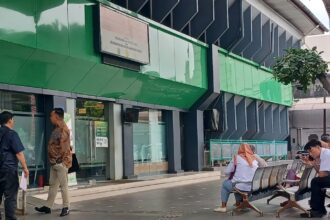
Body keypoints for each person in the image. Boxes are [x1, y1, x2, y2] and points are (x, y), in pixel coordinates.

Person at [35, 108, 72, 217]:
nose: (50, 118)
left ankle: (66, 207)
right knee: (53, 185)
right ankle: (48, 206)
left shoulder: (62, 129)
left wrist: (59, 162)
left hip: (60, 163)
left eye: (51, 116)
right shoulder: (57, 128)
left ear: (56, 116)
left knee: (63, 186)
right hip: (55, 163)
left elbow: (65, 148)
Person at [0, 111, 29, 220]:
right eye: (13, 119)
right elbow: (19, 153)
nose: (13, 121)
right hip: (8, 169)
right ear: (9, 120)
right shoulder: (12, 134)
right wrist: (25, 168)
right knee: (10, 196)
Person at [214, 144, 258, 213]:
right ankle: (238, 203)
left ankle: (223, 207)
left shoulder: (237, 158)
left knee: (226, 184)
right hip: (252, 186)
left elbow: (227, 172)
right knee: (236, 182)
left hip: (240, 186)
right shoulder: (254, 159)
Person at [299, 139, 330, 218]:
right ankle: (319, 210)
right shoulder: (323, 154)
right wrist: (312, 163)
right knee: (317, 182)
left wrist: (312, 163)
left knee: (316, 181)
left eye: (311, 150)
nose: (310, 154)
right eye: (309, 152)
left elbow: (322, 175)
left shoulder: (326, 154)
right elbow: (321, 173)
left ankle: (317, 210)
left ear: (318, 147)